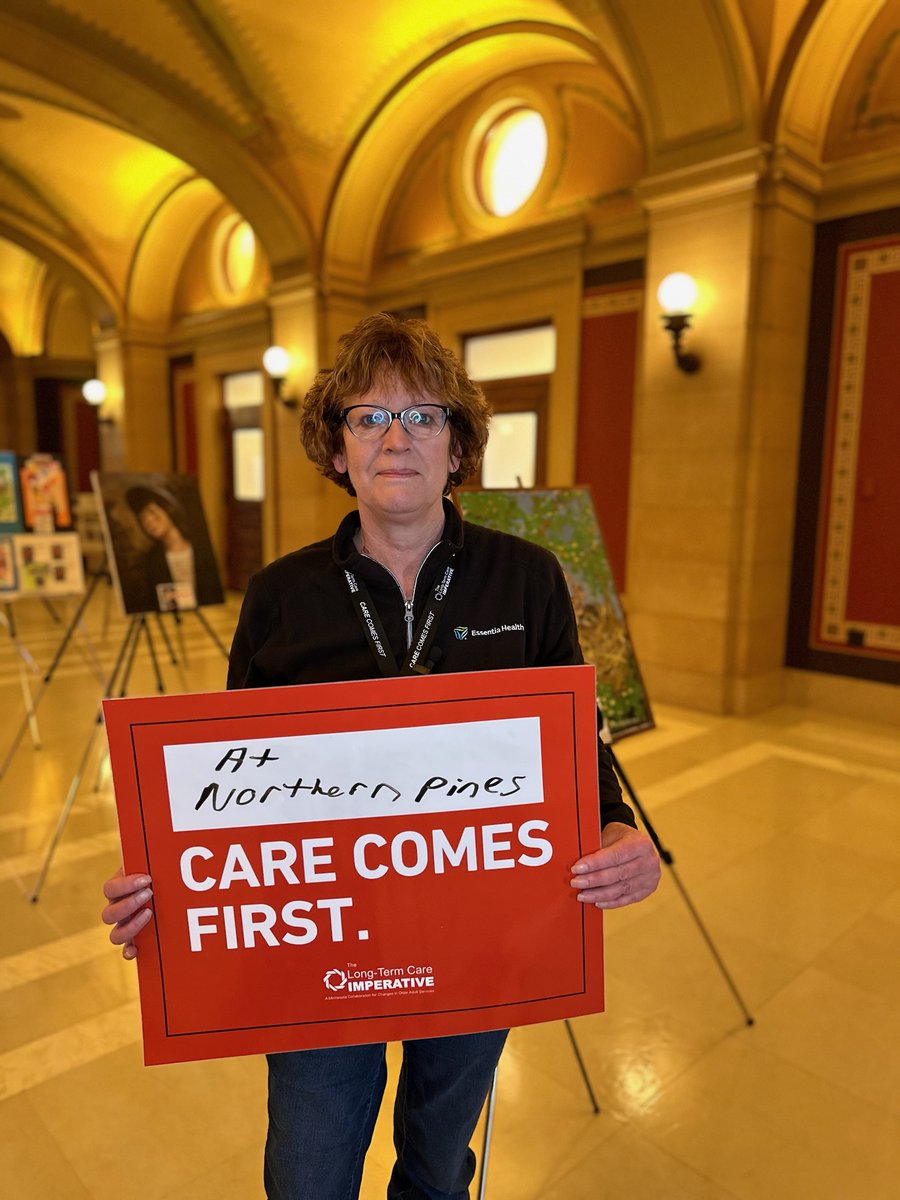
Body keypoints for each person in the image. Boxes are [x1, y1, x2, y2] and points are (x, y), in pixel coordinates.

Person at [102, 313, 660, 1200]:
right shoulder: (281, 597)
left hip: (481, 938)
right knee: (308, 1172)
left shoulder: (528, 577)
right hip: (323, 951)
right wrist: (169, 886)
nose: (395, 436)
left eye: (423, 416)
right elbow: (232, 786)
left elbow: (571, 745)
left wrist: (619, 828)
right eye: (368, 417)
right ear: (336, 449)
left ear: (458, 445)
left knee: (440, 1168)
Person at [122, 482, 223, 613]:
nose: (148, 522)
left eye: (152, 512)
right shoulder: (152, 559)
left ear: (167, 509)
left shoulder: (201, 551)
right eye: (143, 519)